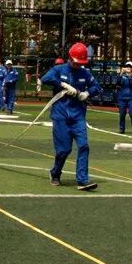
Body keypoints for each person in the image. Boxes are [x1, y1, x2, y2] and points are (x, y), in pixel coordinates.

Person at [41, 42, 102, 191]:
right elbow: (45, 78)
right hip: (61, 116)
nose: (77, 65)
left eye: (80, 63)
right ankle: (55, 173)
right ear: (70, 57)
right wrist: (62, 84)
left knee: (84, 146)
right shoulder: (59, 69)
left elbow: (96, 87)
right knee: (64, 150)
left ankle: (82, 180)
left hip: (78, 116)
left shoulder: (85, 73)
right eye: (76, 62)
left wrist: (87, 93)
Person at [116, 61, 132, 134]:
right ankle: (121, 128)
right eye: (127, 66)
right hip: (122, 98)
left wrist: (129, 77)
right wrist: (121, 73)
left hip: (131, 98)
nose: (128, 68)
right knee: (122, 114)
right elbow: (118, 82)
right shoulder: (122, 76)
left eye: (130, 67)